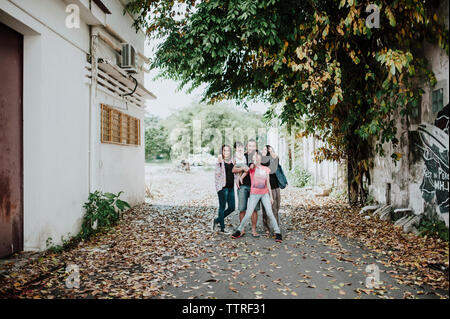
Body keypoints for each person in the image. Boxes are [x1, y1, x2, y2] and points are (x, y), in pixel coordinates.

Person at [231, 151, 282, 242]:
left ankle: (278, 232)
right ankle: (239, 230)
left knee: (270, 213)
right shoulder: (252, 168)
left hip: (264, 194)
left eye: (258, 157)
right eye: (255, 157)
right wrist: (240, 178)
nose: (257, 159)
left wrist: (271, 196)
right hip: (254, 194)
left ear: (261, 159)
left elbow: (268, 183)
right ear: (253, 159)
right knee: (248, 213)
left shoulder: (266, 169)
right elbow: (243, 170)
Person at [232, 139, 260, 237]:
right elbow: (234, 169)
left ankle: (253, 229)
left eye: (253, 146)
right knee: (242, 208)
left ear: (256, 147)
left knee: (254, 209)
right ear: (247, 147)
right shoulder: (241, 156)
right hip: (243, 185)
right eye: (250, 146)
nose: (252, 147)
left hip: (255, 186)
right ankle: (242, 229)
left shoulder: (258, 157)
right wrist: (242, 170)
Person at [212, 145, 235, 234]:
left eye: (228, 151)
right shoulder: (220, 162)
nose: (227, 152)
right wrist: (219, 188)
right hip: (223, 188)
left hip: (231, 188)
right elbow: (217, 175)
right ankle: (222, 228)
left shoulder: (233, 161)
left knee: (232, 207)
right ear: (222, 152)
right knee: (222, 207)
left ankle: (217, 220)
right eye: (224, 151)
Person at [261, 145, 281, 237]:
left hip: (276, 186)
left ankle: (276, 227)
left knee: (276, 208)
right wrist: (263, 154)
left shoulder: (273, 159)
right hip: (266, 187)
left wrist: (271, 150)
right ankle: (267, 228)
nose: (266, 150)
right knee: (267, 209)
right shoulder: (261, 160)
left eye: (267, 149)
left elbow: (277, 158)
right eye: (264, 149)